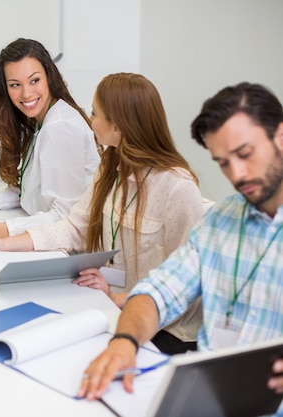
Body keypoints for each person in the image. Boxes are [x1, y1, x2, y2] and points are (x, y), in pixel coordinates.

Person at [76, 81, 283, 404]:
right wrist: (125, 341)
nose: (238, 175)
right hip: (215, 396)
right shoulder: (221, 222)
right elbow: (160, 291)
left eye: (245, 154)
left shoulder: (176, 186)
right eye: (223, 162)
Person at [0, 72, 205, 355]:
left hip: (165, 329)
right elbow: (72, 228)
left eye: (95, 114)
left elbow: (188, 283)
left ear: (118, 126)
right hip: (113, 304)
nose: (90, 121)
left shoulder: (177, 188)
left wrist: (120, 298)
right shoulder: (111, 165)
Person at [0, 38, 102, 238]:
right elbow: (31, 192)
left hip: (68, 247)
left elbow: (64, 216)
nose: (26, 93)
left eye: (34, 80)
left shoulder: (60, 128)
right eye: (15, 85)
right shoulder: (44, 119)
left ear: (49, 77)